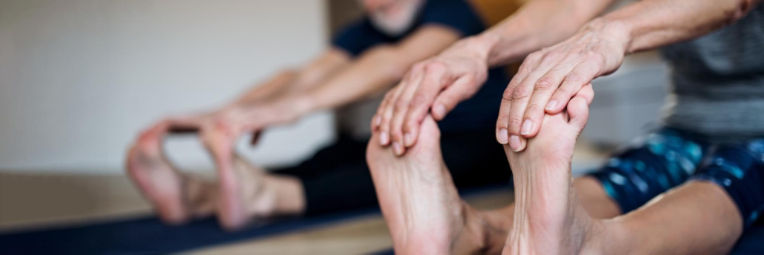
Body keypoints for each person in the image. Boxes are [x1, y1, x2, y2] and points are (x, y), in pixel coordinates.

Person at [370, 0, 763, 253]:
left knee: (726, 184)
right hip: (686, 124)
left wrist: (609, 31)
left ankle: (595, 246)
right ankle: (472, 232)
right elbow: (570, 6)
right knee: (630, 174)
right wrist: (478, 49)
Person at [125, 0, 515, 230]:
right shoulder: (362, 30)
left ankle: (268, 195)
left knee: (387, 167)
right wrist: (222, 116)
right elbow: (302, 76)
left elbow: (393, 63)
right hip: (405, 135)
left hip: (478, 142)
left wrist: (292, 108)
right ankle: (201, 196)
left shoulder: (449, 10)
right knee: (333, 154)